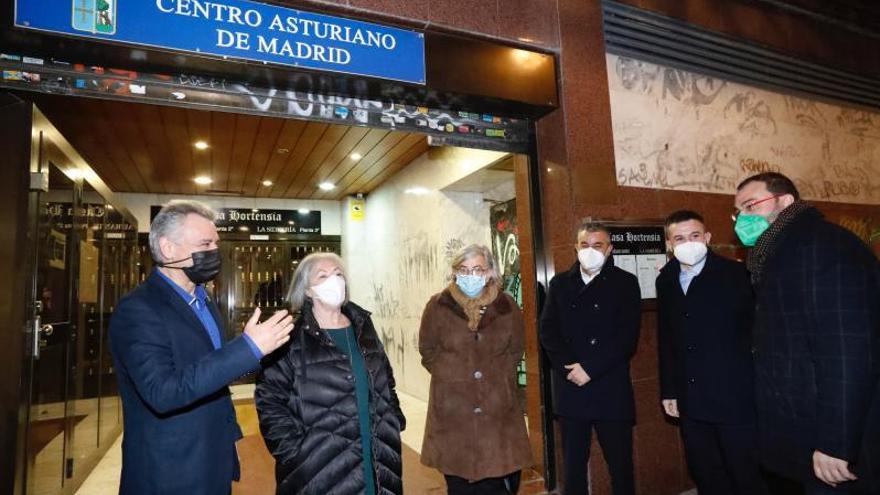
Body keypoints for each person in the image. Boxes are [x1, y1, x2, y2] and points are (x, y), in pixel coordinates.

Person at [109, 200, 294, 495]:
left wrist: (261, 351)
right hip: (170, 470)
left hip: (212, 457)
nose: (214, 251)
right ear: (168, 248)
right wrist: (248, 348)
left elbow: (212, 366)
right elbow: (164, 392)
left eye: (215, 243)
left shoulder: (204, 300)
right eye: (205, 243)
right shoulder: (138, 310)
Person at [733, 172, 880, 494]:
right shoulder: (779, 252)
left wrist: (836, 442)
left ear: (784, 201)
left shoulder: (825, 248)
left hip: (828, 438)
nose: (742, 218)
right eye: (738, 211)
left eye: (750, 206)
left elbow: (848, 350)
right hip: (800, 424)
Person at [255, 252, 405, 494]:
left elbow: (385, 376)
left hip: (377, 453)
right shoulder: (290, 335)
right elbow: (270, 400)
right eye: (322, 276)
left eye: (338, 275)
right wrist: (294, 452)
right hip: (319, 467)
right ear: (307, 290)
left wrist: (394, 419)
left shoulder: (362, 325)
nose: (334, 281)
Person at [656, 210, 766, 495]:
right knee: (706, 474)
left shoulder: (738, 274)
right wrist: (669, 390)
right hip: (691, 400)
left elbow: (760, 332)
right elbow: (667, 337)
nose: (688, 242)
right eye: (679, 238)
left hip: (735, 398)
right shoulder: (666, 280)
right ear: (669, 244)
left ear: (707, 237)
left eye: (694, 236)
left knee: (746, 476)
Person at [419, 244, 533, 495]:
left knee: (501, 485)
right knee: (460, 487)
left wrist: (496, 381)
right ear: (455, 272)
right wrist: (453, 378)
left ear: (490, 272)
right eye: (464, 269)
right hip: (453, 418)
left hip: (499, 419)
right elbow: (428, 352)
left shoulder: (507, 307)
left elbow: (516, 350)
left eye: (477, 269)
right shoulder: (437, 306)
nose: (470, 275)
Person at [539, 222, 641, 495]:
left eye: (598, 245)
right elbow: (548, 332)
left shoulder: (626, 283)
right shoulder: (559, 283)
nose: (590, 251)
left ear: (610, 249)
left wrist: (591, 369)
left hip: (610, 387)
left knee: (621, 466)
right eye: (585, 245)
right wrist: (570, 369)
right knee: (572, 467)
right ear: (576, 248)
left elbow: (627, 338)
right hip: (571, 386)